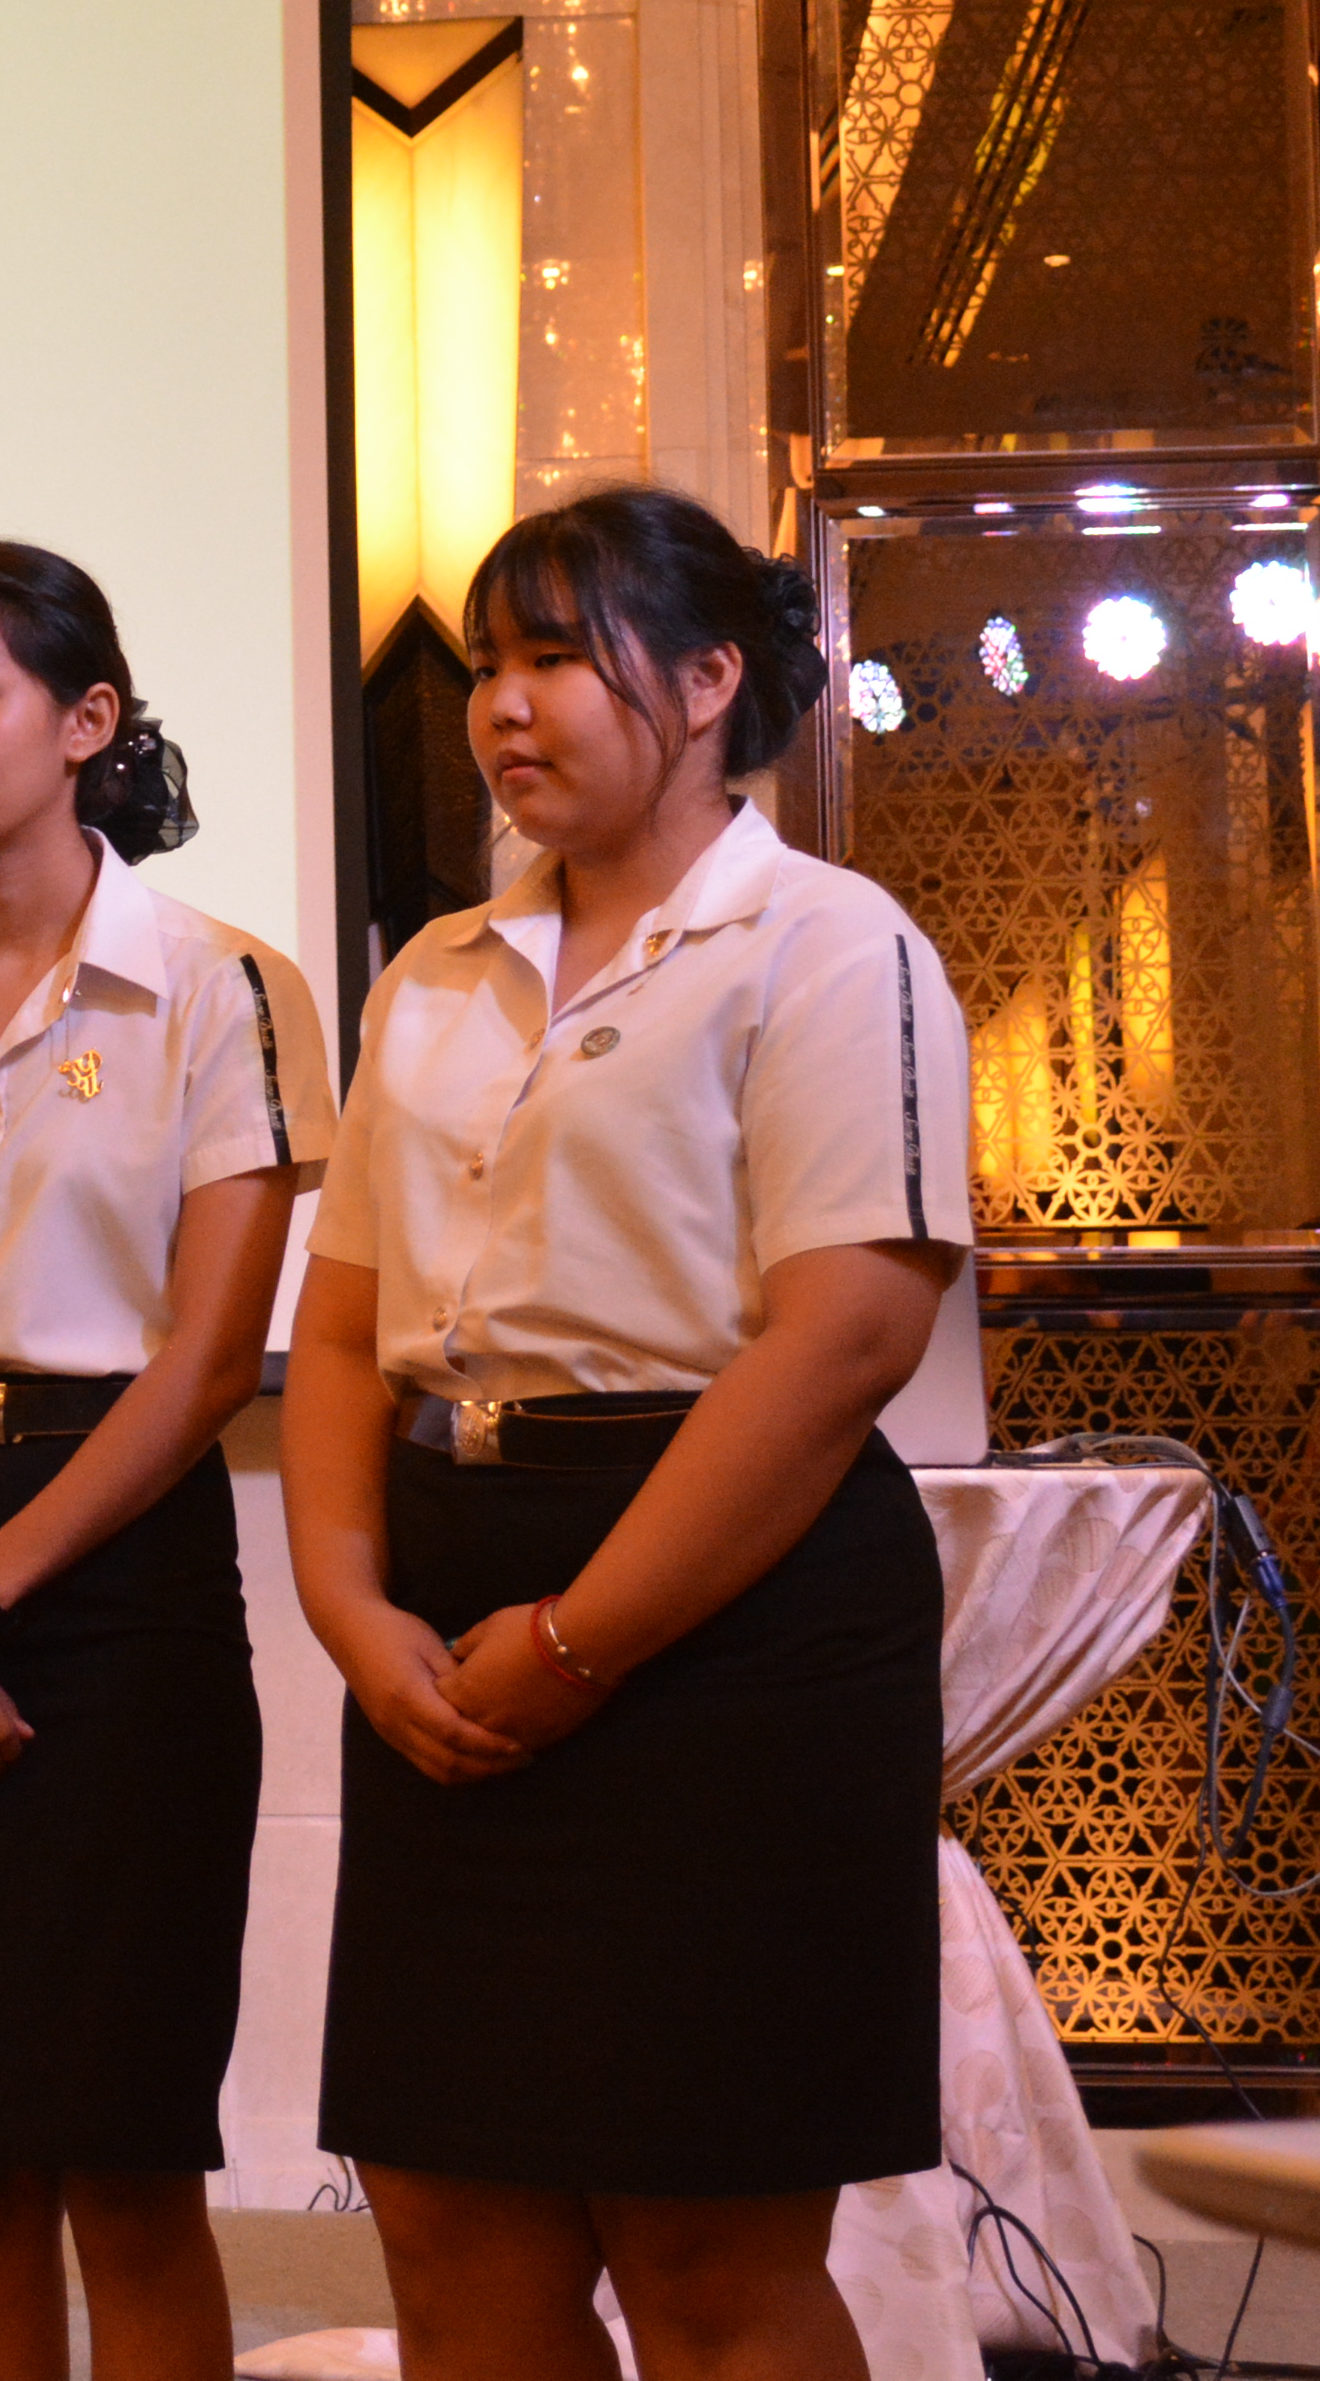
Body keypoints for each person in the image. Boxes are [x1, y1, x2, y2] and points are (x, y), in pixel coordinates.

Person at [286, 486, 972, 2381]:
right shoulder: (436, 969)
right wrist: (345, 1604)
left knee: (705, 2243)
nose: (503, 706)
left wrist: (582, 1643)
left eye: (557, 659)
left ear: (707, 678)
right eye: (487, 665)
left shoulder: (826, 943)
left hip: (727, 1618)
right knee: (447, 2216)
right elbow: (341, 1324)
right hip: (449, 1609)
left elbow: (846, 1340)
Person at [0, 540, 327, 2381]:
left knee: (127, 2174)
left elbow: (210, 1361)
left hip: (113, 1581)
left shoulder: (223, 982)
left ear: (87, 720)